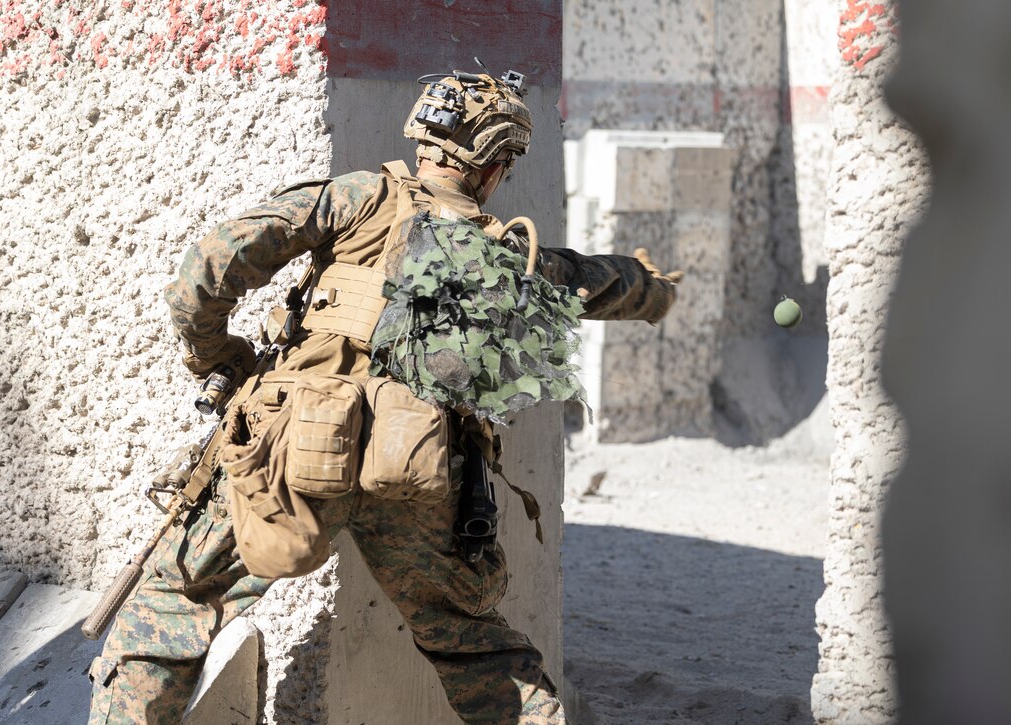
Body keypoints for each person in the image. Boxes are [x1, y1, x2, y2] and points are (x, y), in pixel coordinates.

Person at [87, 68, 681, 724]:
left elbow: (211, 267)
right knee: (473, 642)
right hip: (418, 467)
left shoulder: (360, 197)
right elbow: (587, 281)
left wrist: (218, 356)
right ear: (493, 166)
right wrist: (653, 286)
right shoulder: (507, 252)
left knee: (170, 611)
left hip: (297, 453)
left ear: (427, 141)